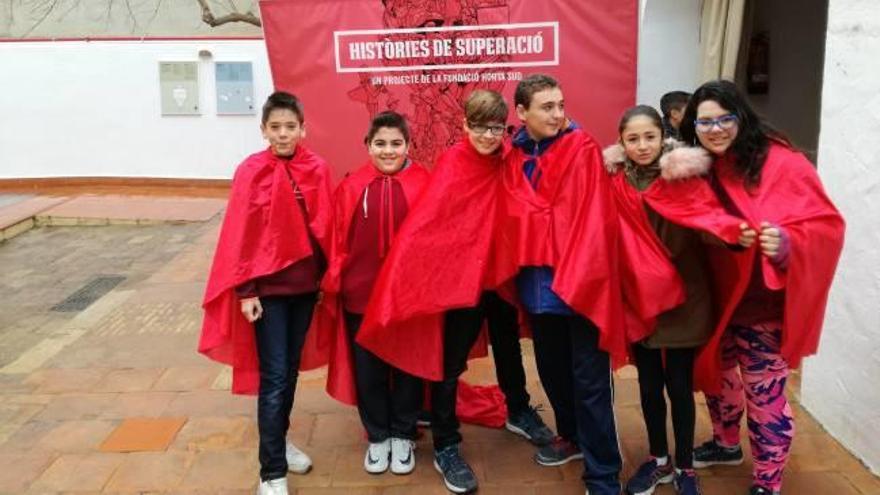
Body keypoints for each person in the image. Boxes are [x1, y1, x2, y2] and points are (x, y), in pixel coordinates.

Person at [490, 74, 683, 495]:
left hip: (582, 288)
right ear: (521, 113)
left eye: (561, 104)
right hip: (537, 288)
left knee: (591, 384)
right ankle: (573, 438)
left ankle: (602, 473)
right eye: (547, 107)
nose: (558, 114)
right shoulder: (513, 155)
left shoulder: (581, 148)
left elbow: (591, 218)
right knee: (553, 373)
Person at [650, 80, 845, 495]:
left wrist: (790, 244)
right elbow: (656, 202)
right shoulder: (692, 167)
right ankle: (725, 443)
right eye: (705, 122)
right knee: (717, 381)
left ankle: (768, 481)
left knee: (764, 396)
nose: (715, 129)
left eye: (725, 118)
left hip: (762, 306)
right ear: (691, 127)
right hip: (716, 304)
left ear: (742, 117)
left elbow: (826, 225)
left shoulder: (783, 163)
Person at [359, 89, 553, 494]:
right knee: (450, 364)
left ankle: (517, 408)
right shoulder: (453, 163)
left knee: (508, 344)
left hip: (499, 274)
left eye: (496, 128)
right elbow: (432, 225)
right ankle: (447, 444)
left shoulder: (509, 157)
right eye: (480, 126)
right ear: (464, 125)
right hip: (462, 282)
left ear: (505, 128)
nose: (487, 135)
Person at [198, 91, 333, 495]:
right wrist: (246, 290)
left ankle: (281, 441)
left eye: (290, 126)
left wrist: (326, 281)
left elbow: (326, 228)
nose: (283, 134)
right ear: (263, 130)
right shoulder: (250, 171)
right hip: (267, 293)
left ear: (303, 129)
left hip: (306, 289)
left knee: (289, 372)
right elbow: (240, 236)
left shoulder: (318, 168)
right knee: (274, 376)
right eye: (275, 127)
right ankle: (271, 472)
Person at [604, 105, 728, 495]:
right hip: (637, 298)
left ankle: (686, 466)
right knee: (647, 386)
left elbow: (709, 223)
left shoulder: (685, 178)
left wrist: (730, 233)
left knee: (678, 384)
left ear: (663, 137)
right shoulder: (615, 182)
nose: (642, 146)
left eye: (649, 137)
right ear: (622, 143)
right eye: (633, 139)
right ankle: (659, 459)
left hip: (682, 297)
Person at [318, 111, 430, 475]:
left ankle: (403, 433)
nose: (388, 151)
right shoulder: (351, 186)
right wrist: (335, 281)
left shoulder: (424, 183)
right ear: (367, 145)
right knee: (369, 371)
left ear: (408, 145)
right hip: (361, 296)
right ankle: (378, 435)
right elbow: (335, 238)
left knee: (407, 367)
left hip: (408, 300)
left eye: (396, 143)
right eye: (380, 144)